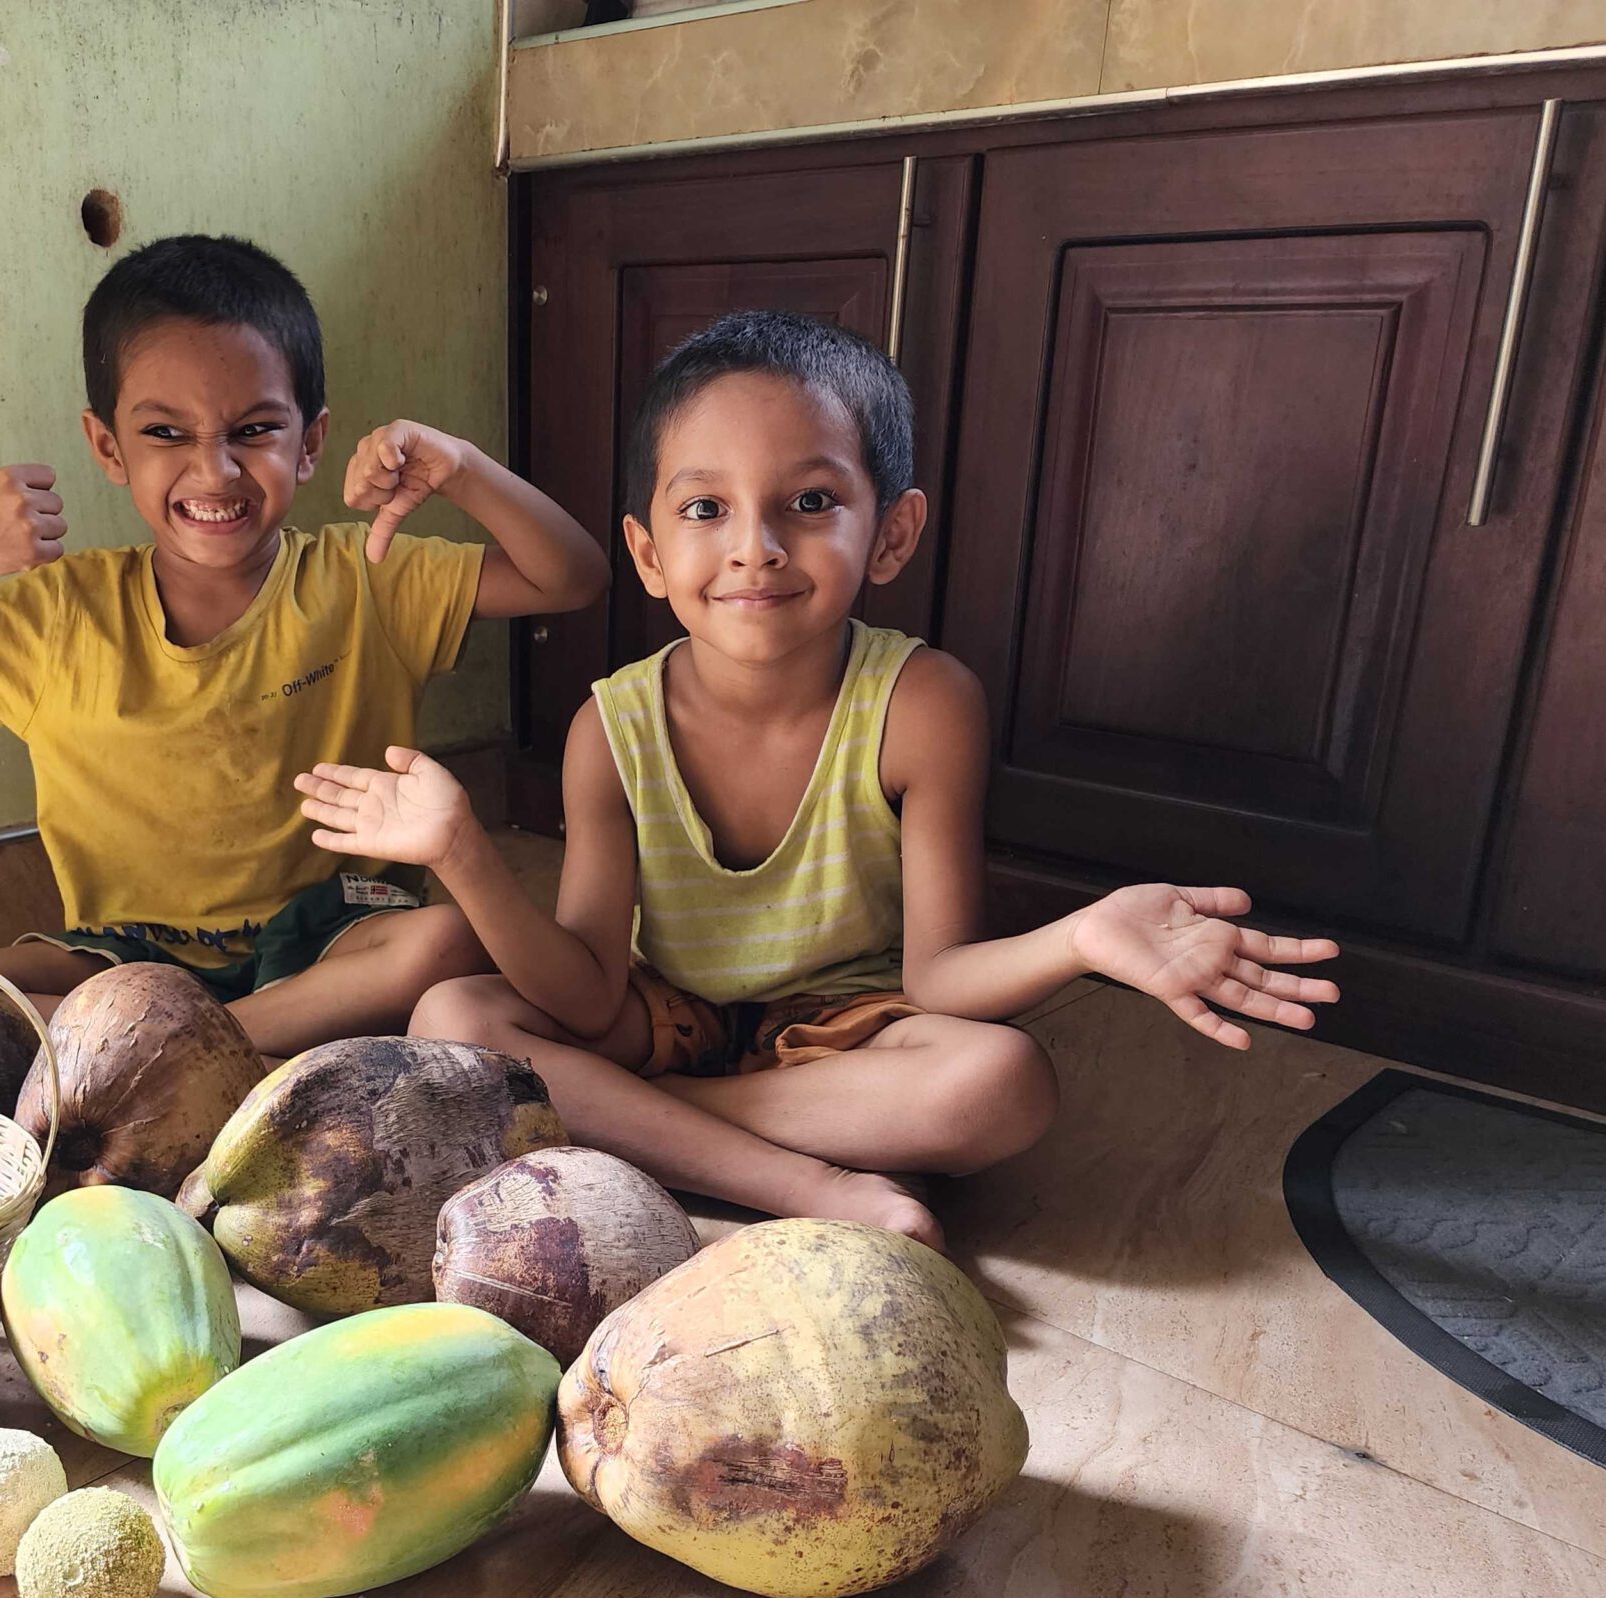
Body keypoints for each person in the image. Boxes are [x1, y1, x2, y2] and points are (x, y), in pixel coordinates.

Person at [295, 310, 1340, 1248]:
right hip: (664, 1017)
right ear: (649, 554)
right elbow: (586, 989)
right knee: (451, 1019)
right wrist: (463, 855)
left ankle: (641, 1124)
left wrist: (1080, 939)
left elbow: (938, 983)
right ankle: (804, 1184)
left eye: (807, 501)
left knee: (1002, 1083)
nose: (753, 548)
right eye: (704, 509)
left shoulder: (923, 705)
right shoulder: (607, 730)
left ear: (890, 534)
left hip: (847, 1027)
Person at [0, 234, 608, 1052]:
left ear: (309, 442)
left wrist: (463, 469)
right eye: (166, 433)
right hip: (127, 957)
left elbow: (572, 577)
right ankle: (209, 1041)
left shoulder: (365, 575)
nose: (215, 470)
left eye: (254, 429)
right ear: (107, 446)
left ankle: (169, 1050)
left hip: (333, 934)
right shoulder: (60, 616)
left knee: (446, 943)